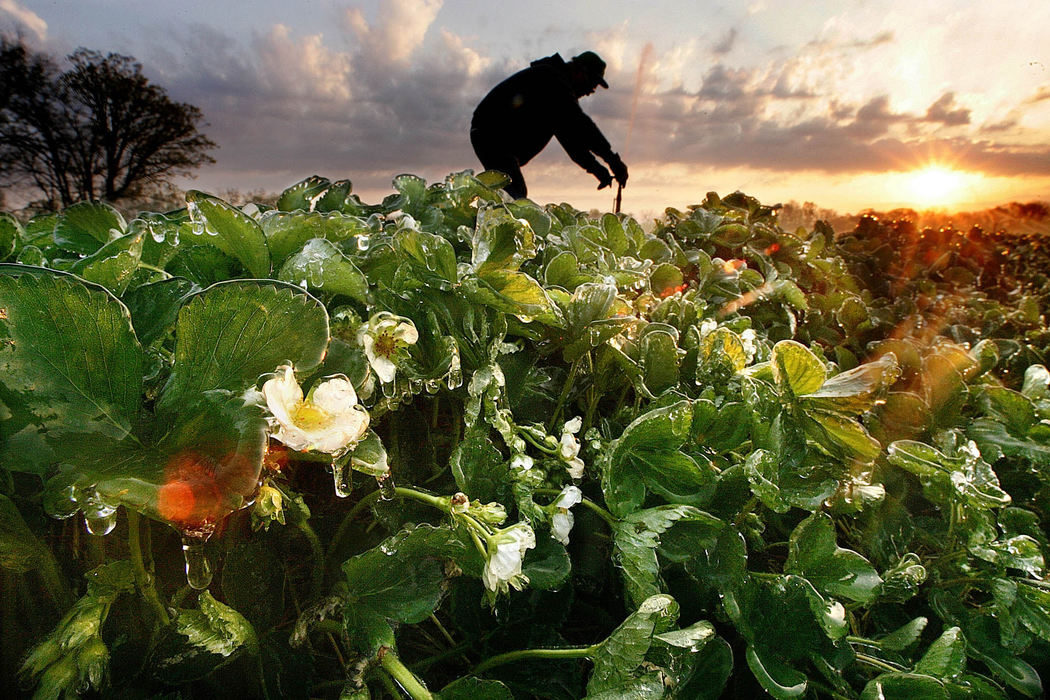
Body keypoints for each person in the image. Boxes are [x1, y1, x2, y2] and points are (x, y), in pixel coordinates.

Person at [470, 51, 629, 200]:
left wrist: (598, 170)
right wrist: (613, 161)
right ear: (580, 72)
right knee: (514, 195)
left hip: (491, 135)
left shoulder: (555, 95)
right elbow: (582, 125)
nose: (591, 91)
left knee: (509, 193)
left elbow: (571, 141)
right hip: (493, 133)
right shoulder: (552, 79)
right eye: (592, 83)